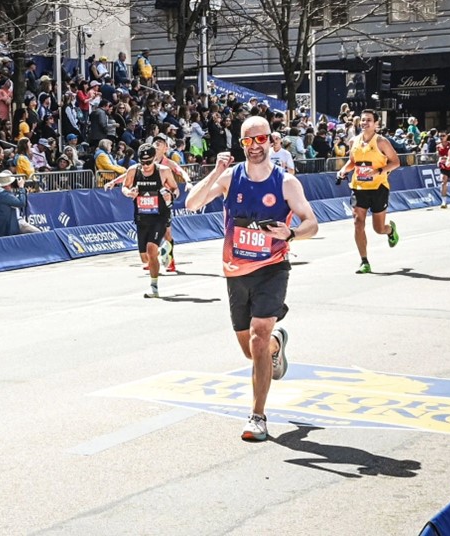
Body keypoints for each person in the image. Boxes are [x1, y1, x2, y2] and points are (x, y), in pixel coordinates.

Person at [185, 116, 318, 441]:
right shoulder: (231, 177)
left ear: (272, 141)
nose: (255, 146)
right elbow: (192, 203)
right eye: (248, 141)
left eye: (261, 139)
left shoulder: (286, 183)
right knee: (252, 350)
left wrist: (291, 234)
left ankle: (257, 416)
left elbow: (311, 223)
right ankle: (277, 344)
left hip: (272, 268)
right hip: (236, 271)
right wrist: (216, 171)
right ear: (241, 144)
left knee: (259, 334)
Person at [337, 109, 400, 274]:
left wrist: (379, 172)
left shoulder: (381, 142)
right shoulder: (354, 141)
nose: (365, 123)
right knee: (358, 222)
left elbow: (395, 162)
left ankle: (390, 230)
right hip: (358, 187)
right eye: (363, 120)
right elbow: (352, 162)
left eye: (369, 120)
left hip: (378, 188)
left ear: (376, 124)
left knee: (378, 229)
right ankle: (364, 261)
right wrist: (343, 170)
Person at [122, 143, 179, 298]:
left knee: (150, 249)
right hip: (142, 217)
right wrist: (129, 193)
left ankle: (154, 288)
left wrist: (170, 195)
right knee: (145, 257)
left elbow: (175, 189)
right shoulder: (133, 170)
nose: (146, 166)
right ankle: (164, 251)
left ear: (155, 159)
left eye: (149, 162)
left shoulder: (163, 171)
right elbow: (124, 187)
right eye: (143, 162)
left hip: (160, 216)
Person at [153, 133, 193, 272]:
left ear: (166, 148)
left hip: (166, 199)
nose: (156, 144)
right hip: (151, 200)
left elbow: (181, 171)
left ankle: (170, 261)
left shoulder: (168, 163)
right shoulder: (147, 161)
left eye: (160, 143)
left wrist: (188, 182)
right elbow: (131, 173)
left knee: (167, 233)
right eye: (155, 142)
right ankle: (151, 258)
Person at [0, 170, 27, 238]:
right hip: (7, 228)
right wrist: (21, 188)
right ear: (7, 185)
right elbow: (21, 203)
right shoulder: (4, 195)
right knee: (38, 232)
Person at [437, 132, 450, 209]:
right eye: (440, 136)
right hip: (443, 167)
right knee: (443, 183)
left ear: (447, 136)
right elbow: (439, 156)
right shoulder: (438, 146)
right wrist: (439, 160)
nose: (442, 137)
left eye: (443, 136)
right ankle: (444, 201)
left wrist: (448, 158)